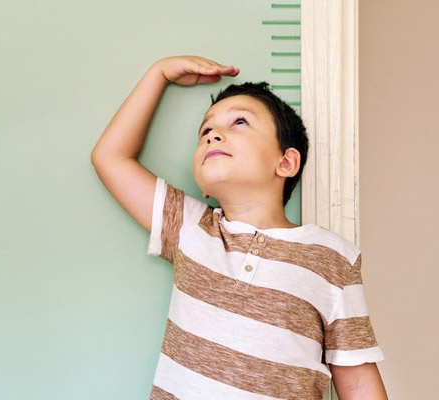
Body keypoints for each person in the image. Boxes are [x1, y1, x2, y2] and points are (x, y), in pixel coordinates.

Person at [91, 55, 388, 399]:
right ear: (203, 186)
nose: (213, 135)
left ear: (286, 162)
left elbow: (358, 380)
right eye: (205, 131)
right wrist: (158, 74)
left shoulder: (332, 258)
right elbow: (110, 157)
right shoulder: (192, 228)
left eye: (240, 122)